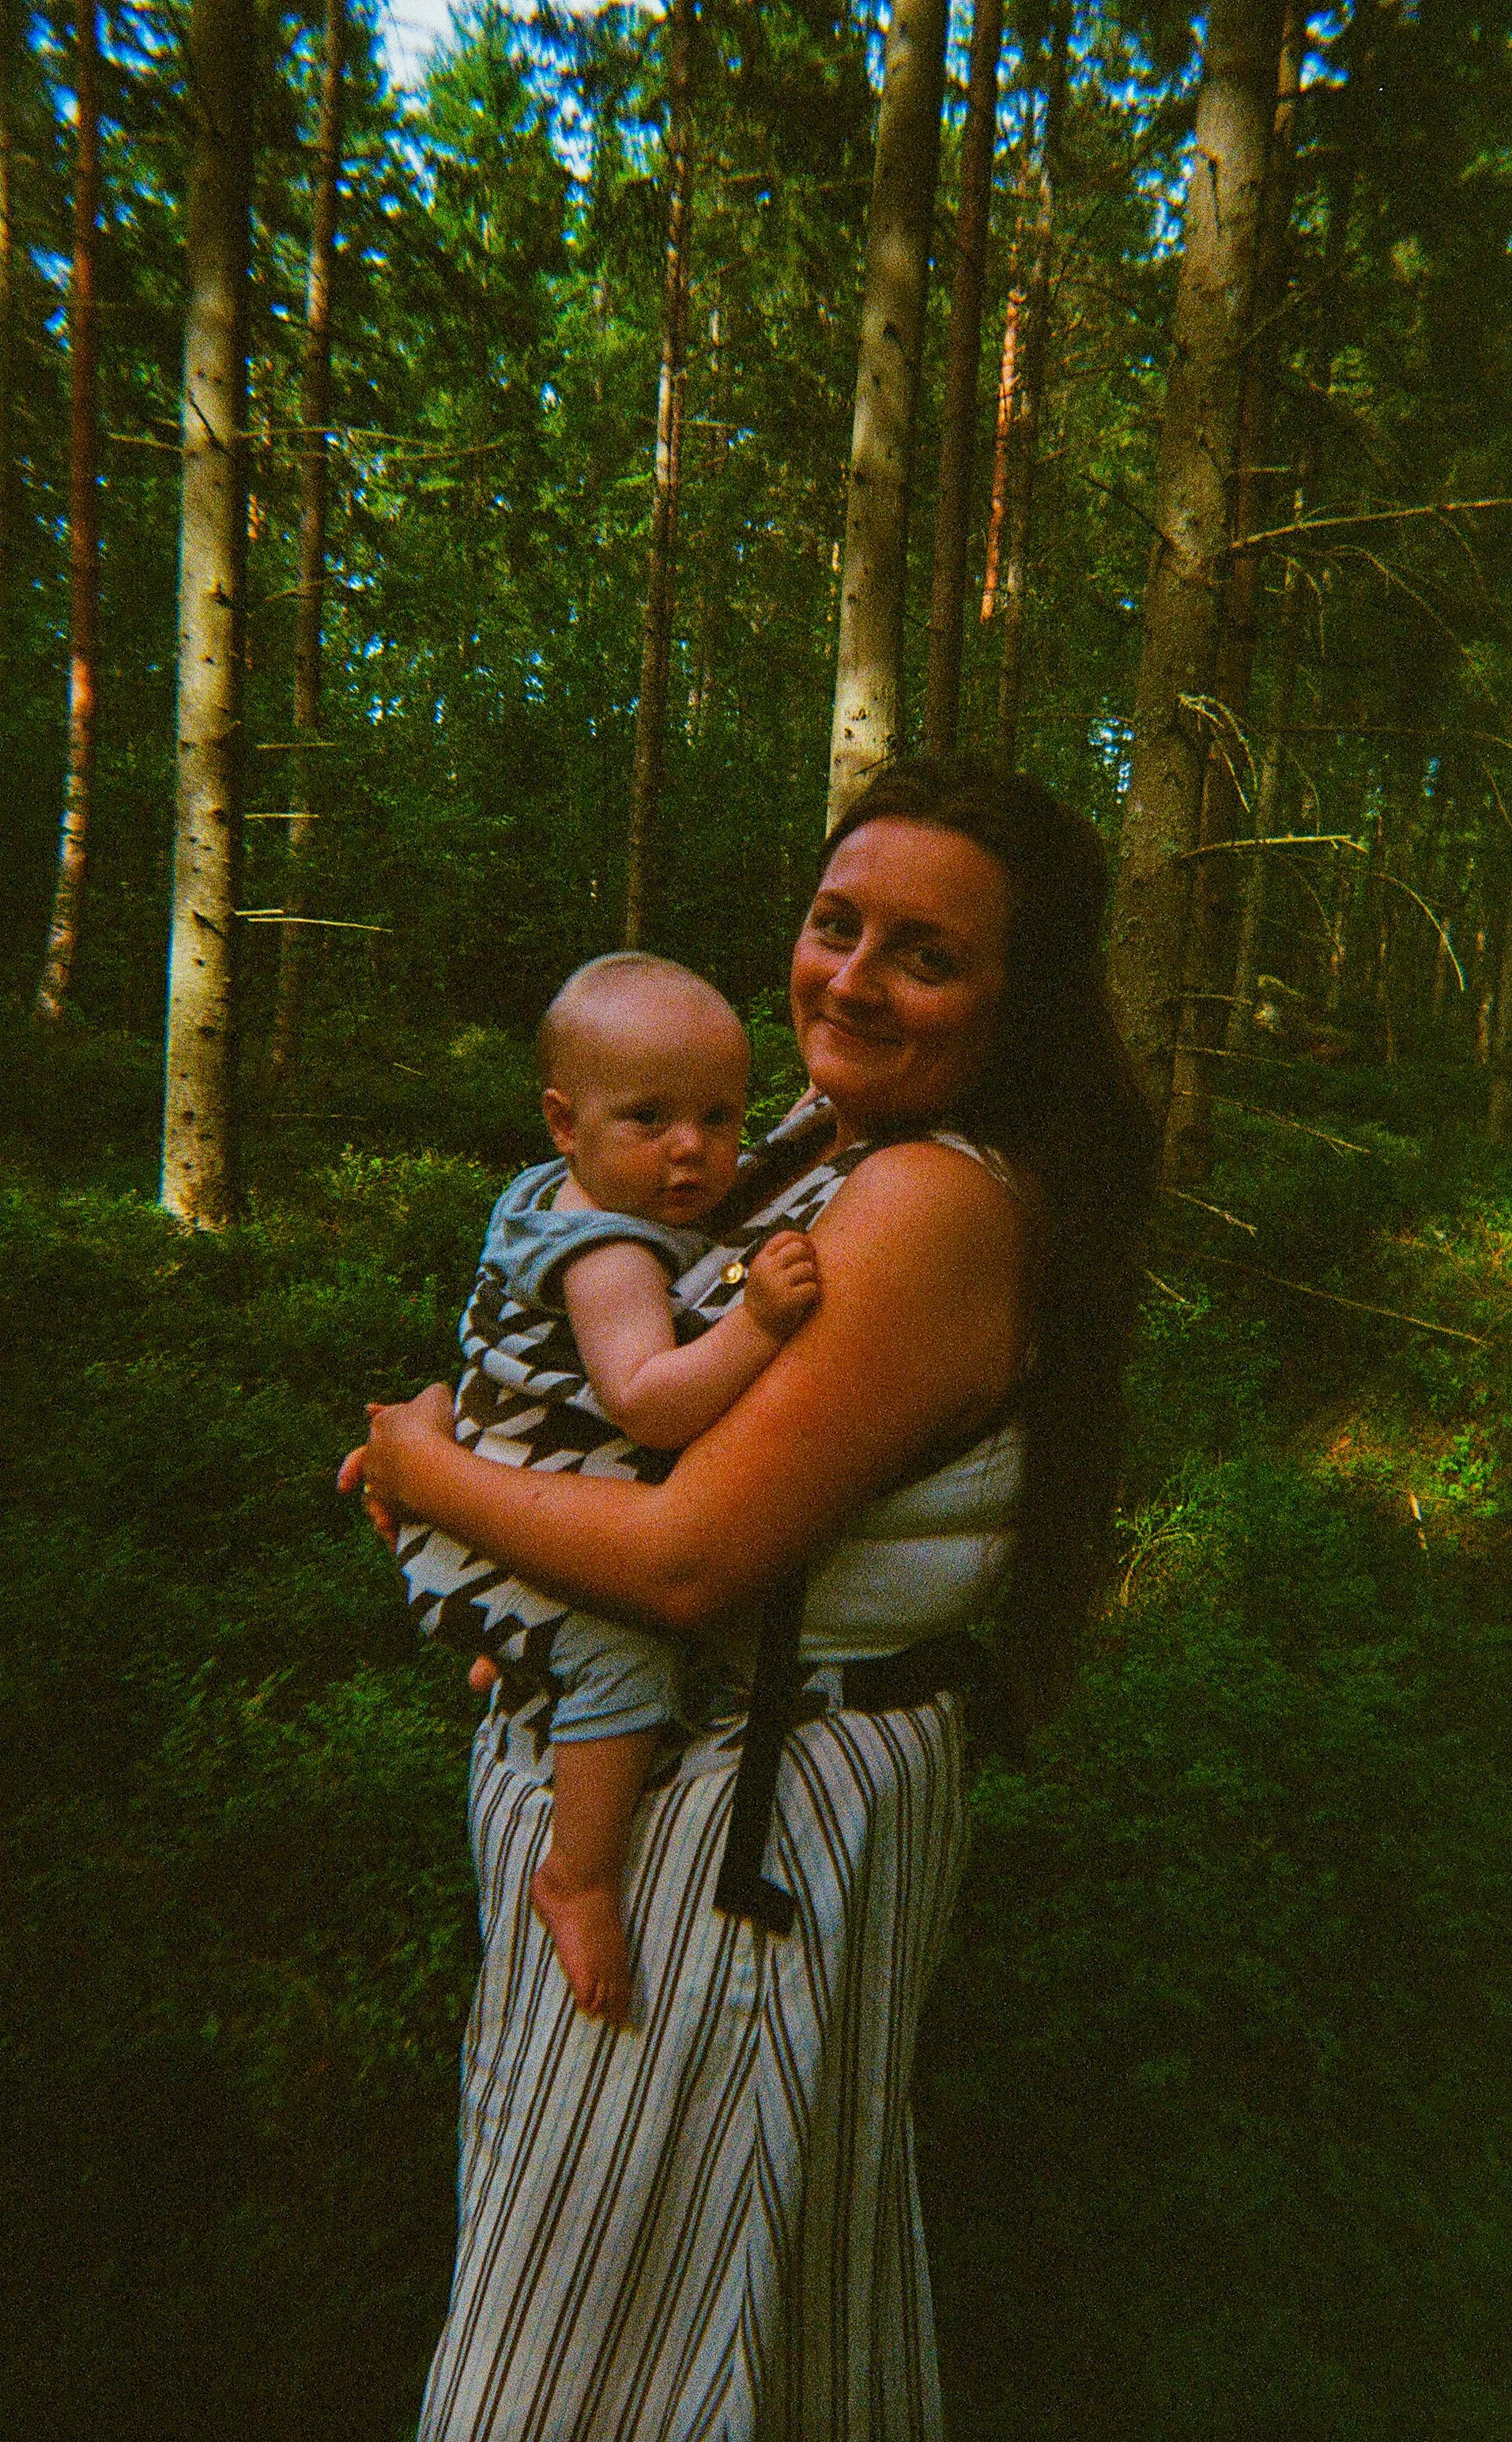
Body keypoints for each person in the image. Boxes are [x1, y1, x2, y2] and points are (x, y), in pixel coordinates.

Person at [342, 757, 1158, 2442]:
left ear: (1019, 1002)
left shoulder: (929, 1199)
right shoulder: (803, 1142)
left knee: (594, 2359)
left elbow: (690, 1555)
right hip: (676, 1792)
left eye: (924, 953)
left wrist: (421, 1469)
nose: (850, 977)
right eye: (833, 921)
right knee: (729, 2314)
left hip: (741, 1828)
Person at [397, 951, 820, 2025]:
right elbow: (650, 1403)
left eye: (720, 1117)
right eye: (650, 1119)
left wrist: (814, 1115)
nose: (694, 1152)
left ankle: (514, 1652)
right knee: (626, 1654)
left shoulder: (577, 1187)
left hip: (506, 1488)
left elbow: (728, 1173)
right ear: (561, 1121)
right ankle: (577, 1878)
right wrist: (759, 1325)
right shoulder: (609, 1258)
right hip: (498, 1526)